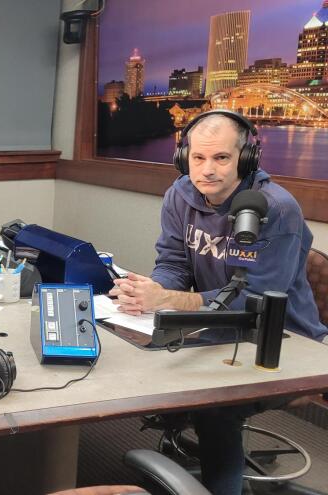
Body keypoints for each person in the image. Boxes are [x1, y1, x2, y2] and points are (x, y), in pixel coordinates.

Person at [110, 110, 327, 495]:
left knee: (216, 406)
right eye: (198, 158)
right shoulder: (181, 193)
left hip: (283, 341)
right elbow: (174, 263)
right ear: (184, 158)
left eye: (221, 158)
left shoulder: (276, 209)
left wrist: (170, 299)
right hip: (217, 328)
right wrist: (148, 293)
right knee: (129, 358)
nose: (207, 170)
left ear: (246, 159)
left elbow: (256, 302)